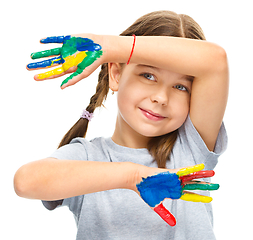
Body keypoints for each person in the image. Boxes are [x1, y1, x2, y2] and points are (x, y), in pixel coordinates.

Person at [14, 10, 228, 239]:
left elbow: (216, 61)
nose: (161, 98)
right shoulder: (89, 157)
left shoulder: (192, 147)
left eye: (180, 87)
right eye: (148, 75)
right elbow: (25, 182)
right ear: (116, 74)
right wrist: (131, 177)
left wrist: (108, 46)